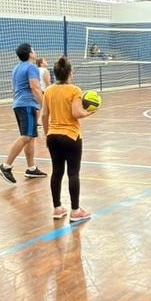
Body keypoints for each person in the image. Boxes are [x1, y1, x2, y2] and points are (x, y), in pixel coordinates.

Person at [41, 56, 92, 223]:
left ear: (55, 74)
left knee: (56, 172)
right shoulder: (75, 90)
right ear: (70, 73)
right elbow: (77, 113)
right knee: (73, 173)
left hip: (53, 136)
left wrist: (48, 133)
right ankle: (75, 211)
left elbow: (44, 115)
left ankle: (57, 208)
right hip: (71, 136)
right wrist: (91, 112)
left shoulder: (48, 90)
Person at [0, 42, 48, 183]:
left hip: (19, 104)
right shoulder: (31, 67)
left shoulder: (16, 68)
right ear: (30, 54)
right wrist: (45, 105)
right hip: (27, 105)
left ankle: (31, 168)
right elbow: (35, 87)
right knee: (26, 136)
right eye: (34, 50)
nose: (35, 51)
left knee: (30, 137)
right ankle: (6, 166)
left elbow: (15, 87)